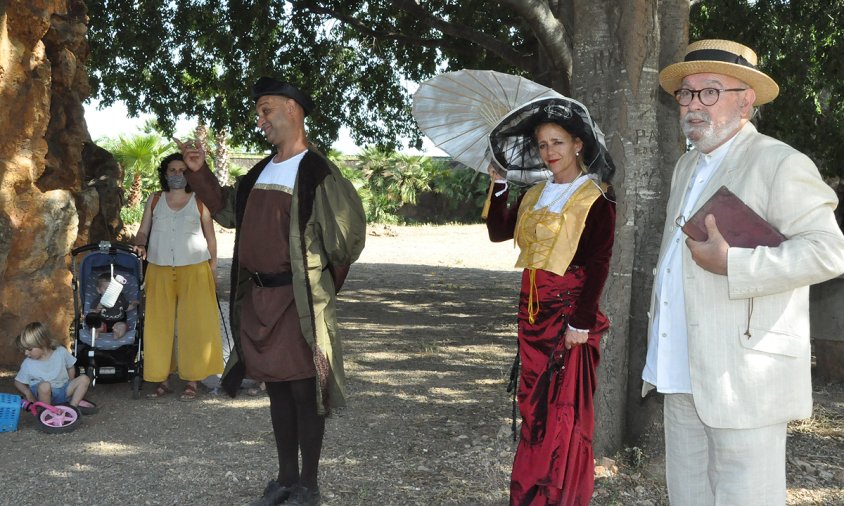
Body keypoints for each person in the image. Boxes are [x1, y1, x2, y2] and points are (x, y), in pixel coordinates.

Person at [642, 39, 844, 505]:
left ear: (746, 99)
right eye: (687, 94)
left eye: (709, 91)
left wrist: (734, 263)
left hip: (745, 373)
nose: (694, 104)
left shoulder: (780, 162)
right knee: (688, 496)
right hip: (680, 366)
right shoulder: (686, 166)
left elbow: (829, 252)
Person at [175, 77, 366, 506]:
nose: (260, 120)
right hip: (260, 299)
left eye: (267, 110)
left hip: (297, 303)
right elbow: (226, 212)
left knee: (305, 391)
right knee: (277, 389)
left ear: (294, 110)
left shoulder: (318, 172)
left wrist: (320, 290)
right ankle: (285, 479)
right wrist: (198, 170)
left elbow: (345, 243)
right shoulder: (261, 170)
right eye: (259, 111)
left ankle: (309, 487)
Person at [485, 96, 616, 505]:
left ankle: (558, 495)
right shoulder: (536, 193)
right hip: (531, 314)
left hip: (568, 316)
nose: (549, 153)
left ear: (578, 144)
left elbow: (598, 263)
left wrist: (582, 321)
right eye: (542, 145)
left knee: (562, 407)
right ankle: (531, 491)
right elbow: (498, 232)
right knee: (535, 408)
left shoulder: (596, 196)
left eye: (557, 142)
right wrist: (500, 184)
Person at [133, 152, 224, 402]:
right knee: (158, 325)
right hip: (159, 268)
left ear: (189, 175)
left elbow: (211, 238)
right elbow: (143, 231)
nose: (177, 175)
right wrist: (139, 243)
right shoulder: (154, 200)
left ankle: (192, 381)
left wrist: (213, 268)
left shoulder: (199, 201)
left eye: (182, 171)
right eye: (172, 170)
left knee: (194, 325)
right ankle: (161, 379)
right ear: (165, 174)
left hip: (195, 269)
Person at [14, 322, 92, 411]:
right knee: (45, 386)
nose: (26, 353)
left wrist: (71, 380)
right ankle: (47, 411)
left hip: (63, 389)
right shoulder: (28, 363)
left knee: (84, 379)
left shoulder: (61, 352)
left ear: (42, 343)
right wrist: (27, 392)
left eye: (29, 349)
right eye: (24, 350)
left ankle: (72, 408)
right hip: (43, 395)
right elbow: (18, 382)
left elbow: (70, 366)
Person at [89, 272, 138, 340]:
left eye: (113, 289)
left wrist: (133, 305)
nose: (110, 291)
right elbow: (91, 314)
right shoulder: (98, 301)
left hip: (118, 321)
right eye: (107, 289)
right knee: (95, 326)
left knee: (122, 326)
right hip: (102, 322)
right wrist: (96, 310)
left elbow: (126, 308)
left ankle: (117, 333)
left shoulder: (121, 298)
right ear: (99, 290)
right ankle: (96, 332)